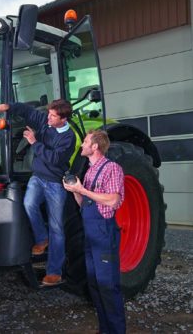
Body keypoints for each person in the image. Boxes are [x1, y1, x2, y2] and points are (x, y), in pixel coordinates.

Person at [0, 99, 75, 286]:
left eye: (53, 116)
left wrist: (34, 142)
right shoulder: (45, 122)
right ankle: (41, 238)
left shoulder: (68, 137)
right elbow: (27, 110)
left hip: (55, 182)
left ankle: (54, 272)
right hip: (37, 177)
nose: (49, 118)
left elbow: (54, 159)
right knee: (29, 204)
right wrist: (8, 107)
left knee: (57, 228)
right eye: (49, 114)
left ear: (63, 119)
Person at [63, 130, 126, 334]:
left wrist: (82, 190)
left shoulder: (112, 168)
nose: (82, 145)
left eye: (86, 142)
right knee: (95, 286)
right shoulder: (89, 172)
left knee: (108, 287)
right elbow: (85, 203)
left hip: (104, 233)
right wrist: (75, 192)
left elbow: (114, 200)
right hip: (90, 235)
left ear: (95, 147)